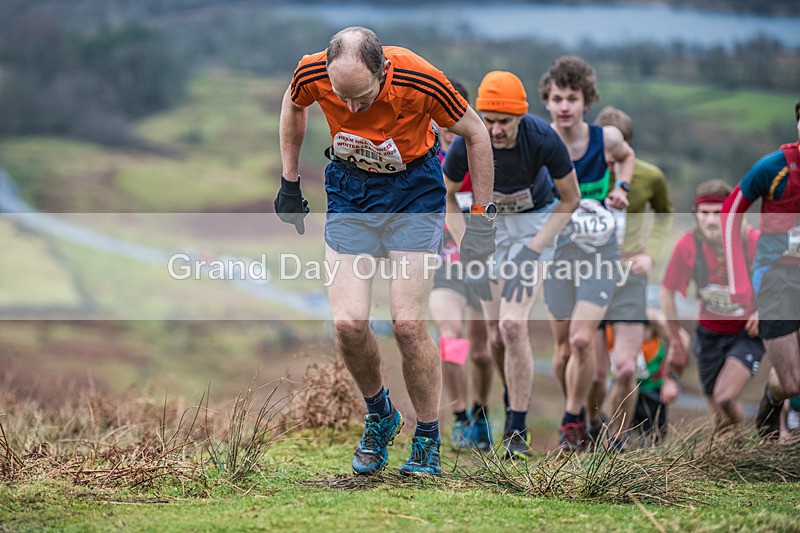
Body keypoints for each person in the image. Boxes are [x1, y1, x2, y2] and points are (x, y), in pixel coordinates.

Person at [276, 26, 495, 476]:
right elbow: (293, 103)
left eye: (362, 97)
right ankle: (380, 414)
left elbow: (476, 134)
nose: (351, 108)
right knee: (349, 324)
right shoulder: (313, 70)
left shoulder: (423, 80)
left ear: (384, 71)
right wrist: (289, 180)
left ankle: (428, 437)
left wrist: (482, 219)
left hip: (413, 193)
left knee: (408, 323)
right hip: (350, 192)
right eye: (342, 97)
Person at [442, 71, 580, 458]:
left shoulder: (543, 139)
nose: (496, 130)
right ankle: (508, 396)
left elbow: (571, 199)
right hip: (488, 226)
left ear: (521, 117)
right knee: (496, 335)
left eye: (504, 122)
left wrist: (535, 249)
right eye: (489, 120)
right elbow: (447, 194)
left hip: (536, 225)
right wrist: (465, 238)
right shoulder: (469, 138)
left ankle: (517, 431)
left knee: (513, 323)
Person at [539, 56, 635, 451]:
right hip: (557, 257)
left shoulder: (604, 139)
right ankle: (577, 416)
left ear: (586, 102)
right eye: (557, 98)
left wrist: (622, 189)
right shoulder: (539, 142)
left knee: (582, 341)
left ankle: (572, 419)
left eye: (572, 98)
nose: (564, 106)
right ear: (547, 101)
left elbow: (627, 157)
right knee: (562, 353)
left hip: (600, 253)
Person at [588, 106, 674, 447]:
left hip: (630, 277)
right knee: (594, 373)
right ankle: (588, 428)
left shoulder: (650, 176)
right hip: (590, 275)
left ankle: (615, 441)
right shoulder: (583, 173)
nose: (609, 159)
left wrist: (649, 253)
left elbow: (666, 214)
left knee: (626, 369)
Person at [721, 99, 800, 438]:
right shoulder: (774, 167)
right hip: (776, 279)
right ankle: (771, 405)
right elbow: (730, 212)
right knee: (793, 382)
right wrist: (740, 286)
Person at [661, 180, 764, 429]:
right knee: (718, 415)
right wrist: (675, 338)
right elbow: (667, 291)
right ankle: (734, 452)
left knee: (725, 397)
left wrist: (763, 310)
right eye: (704, 213)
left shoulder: (752, 242)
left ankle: (745, 442)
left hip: (746, 334)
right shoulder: (688, 246)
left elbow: (780, 281)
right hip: (708, 334)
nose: (710, 220)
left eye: (717, 213)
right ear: (695, 215)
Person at [428, 80, 494, 452]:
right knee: (451, 339)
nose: (447, 126)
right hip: (444, 267)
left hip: (483, 269)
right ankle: (460, 415)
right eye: (440, 118)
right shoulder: (426, 160)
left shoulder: (482, 156)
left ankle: (483, 414)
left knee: (483, 352)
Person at [603, 307, 685, 445]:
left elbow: (682, 339)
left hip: (652, 391)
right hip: (619, 391)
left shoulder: (648, 317)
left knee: (653, 445)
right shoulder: (602, 321)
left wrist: (671, 379)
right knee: (612, 441)